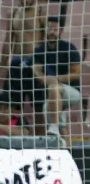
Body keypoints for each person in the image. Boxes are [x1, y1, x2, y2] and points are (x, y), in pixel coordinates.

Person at [32, 16, 81, 144]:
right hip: (54, 95)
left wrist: (55, 79)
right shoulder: (40, 50)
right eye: (50, 28)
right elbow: (36, 70)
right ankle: (68, 150)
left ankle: (53, 126)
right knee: (56, 116)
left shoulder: (69, 47)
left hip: (72, 92)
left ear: (60, 31)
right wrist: (44, 78)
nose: (52, 32)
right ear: (45, 30)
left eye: (55, 29)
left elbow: (76, 73)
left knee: (54, 87)